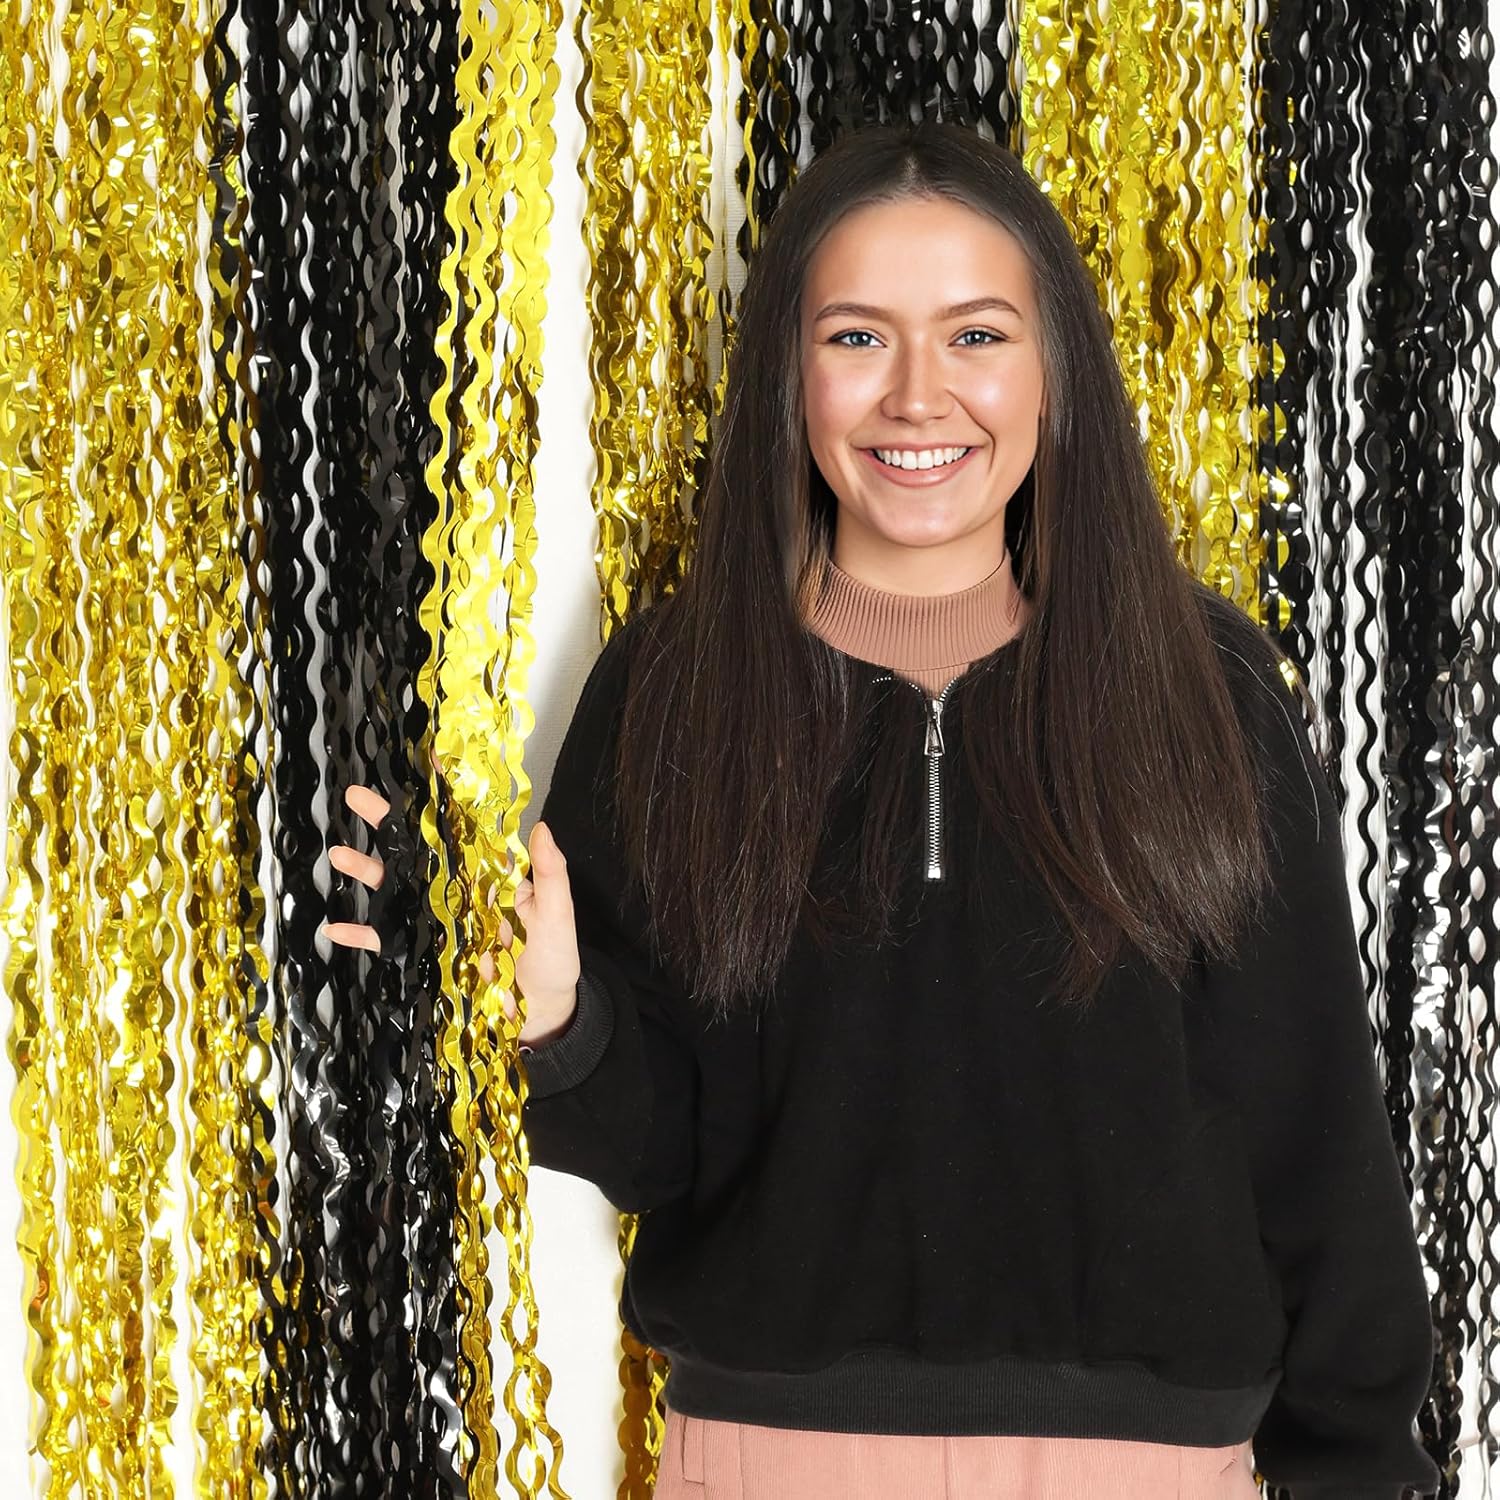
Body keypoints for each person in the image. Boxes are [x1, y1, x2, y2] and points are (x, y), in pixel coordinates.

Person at [324, 121, 1440, 1499]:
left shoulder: (1204, 686)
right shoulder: (673, 686)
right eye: (857, 338)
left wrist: (1361, 1471)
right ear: (786, 374)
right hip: (773, 1458)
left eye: (976, 337)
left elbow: (1316, 1136)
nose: (919, 397)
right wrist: (552, 1014)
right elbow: (650, 1146)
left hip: (1152, 1465)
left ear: (1054, 371)